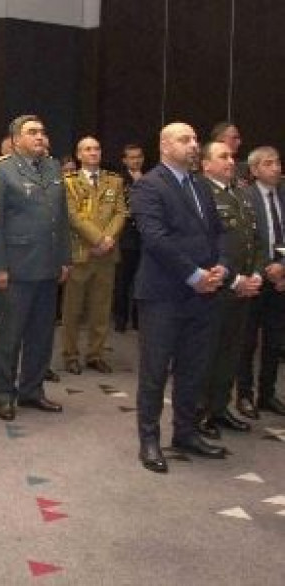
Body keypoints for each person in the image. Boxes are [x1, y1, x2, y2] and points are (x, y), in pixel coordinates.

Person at [131, 122, 228, 474]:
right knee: (155, 371)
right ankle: (149, 440)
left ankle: (186, 433)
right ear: (164, 145)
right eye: (185, 140)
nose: (193, 145)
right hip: (163, 294)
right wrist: (194, 275)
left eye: (195, 139)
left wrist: (221, 267)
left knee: (192, 368)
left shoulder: (200, 185)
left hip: (202, 294)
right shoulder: (148, 185)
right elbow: (156, 239)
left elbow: (219, 233)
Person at [0, 115, 69, 421]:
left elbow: (61, 218)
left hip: (48, 265)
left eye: (42, 132)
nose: (39, 137)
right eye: (32, 132)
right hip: (16, 267)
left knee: (41, 335)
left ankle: (32, 391)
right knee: (9, 336)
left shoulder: (53, 167)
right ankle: (3, 394)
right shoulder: (1, 170)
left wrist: (64, 258)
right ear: (16, 139)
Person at [196, 141, 261, 439]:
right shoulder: (201, 194)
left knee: (230, 353)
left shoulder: (242, 194)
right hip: (216, 288)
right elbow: (204, 247)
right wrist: (235, 280)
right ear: (206, 164)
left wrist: (256, 275)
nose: (231, 161)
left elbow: (254, 240)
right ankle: (199, 412)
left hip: (243, 289)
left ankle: (220, 408)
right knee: (207, 354)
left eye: (232, 156)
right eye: (223, 156)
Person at [61, 137, 126, 374]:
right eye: (87, 149)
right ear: (79, 155)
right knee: (73, 309)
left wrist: (108, 239)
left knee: (101, 309)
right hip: (81, 253)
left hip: (107, 254)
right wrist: (98, 239)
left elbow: (121, 212)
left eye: (97, 148)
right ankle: (70, 354)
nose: (93, 152)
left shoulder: (114, 181)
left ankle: (95, 354)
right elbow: (72, 216)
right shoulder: (68, 182)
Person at [235, 146, 285, 418]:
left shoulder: (283, 194)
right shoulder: (244, 197)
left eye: (277, 162)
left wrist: (283, 267)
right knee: (247, 340)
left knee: (274, 340)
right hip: (253, 277)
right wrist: (265, 268)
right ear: (254, 170)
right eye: (268, 163)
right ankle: (244, 394)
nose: (276, 168)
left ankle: (267, 393)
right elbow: (243, 241)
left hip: (280, 280)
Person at [113, 143, 145, 332]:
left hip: (145, 238)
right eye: (132, 157)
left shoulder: (150, 178)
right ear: (125, 160)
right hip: (125, 236)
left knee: (141, 280)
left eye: (139, 156)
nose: (136, 160)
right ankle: (120, 319)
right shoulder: (118, 180)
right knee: (123, 281)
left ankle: (138, 319)